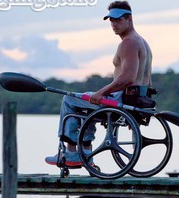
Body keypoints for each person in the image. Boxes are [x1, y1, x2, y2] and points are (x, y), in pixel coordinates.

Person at [45, 1, 153, 166]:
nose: (113, 24)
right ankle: (86, 150)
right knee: (86, 100)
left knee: (69, 99)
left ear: (129, 18)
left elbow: (127, 78)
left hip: (122, 100)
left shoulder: (129, 43)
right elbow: (144, 79)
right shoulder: (142, 41)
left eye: (118, 20)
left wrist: (101, 93)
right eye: (111, 20)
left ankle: (72, 152)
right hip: (133, 97)